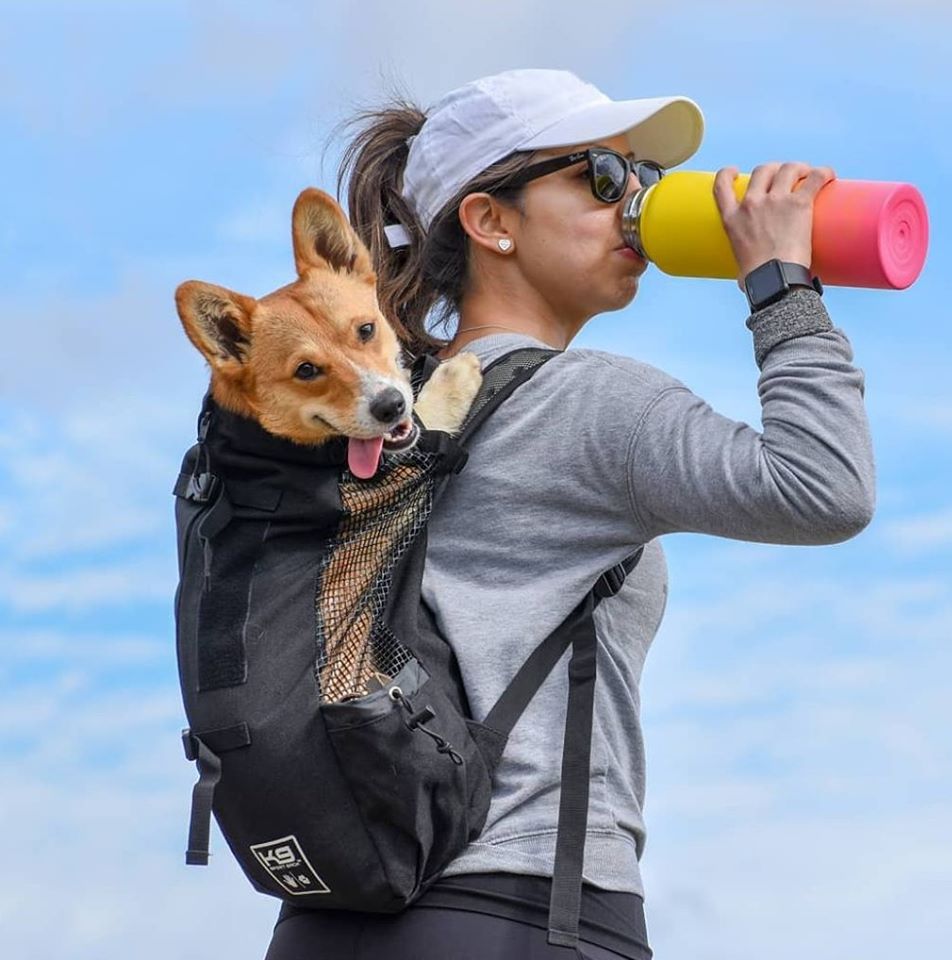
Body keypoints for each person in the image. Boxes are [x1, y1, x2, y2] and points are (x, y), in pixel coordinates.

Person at [264, 68, 875, 960]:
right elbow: (827, 487)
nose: (633, 202)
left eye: (644, 181)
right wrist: (784, 286)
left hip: (326, 920)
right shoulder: (588, 402)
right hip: (522, 914)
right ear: (491, 222)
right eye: (599, 175)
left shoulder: (375, 419)